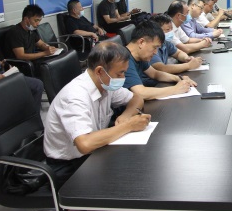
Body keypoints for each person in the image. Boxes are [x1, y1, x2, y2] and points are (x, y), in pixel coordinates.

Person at [43, 42, 151, 188]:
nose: (123, 77)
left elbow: (137, 99)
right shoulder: (75, 97)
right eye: (120, 73)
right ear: (100, 71)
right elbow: (85, 144)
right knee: (130, 182)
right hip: (69, 167)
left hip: (96, 152)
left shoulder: (105, 83)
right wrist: (128, 126)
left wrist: (126, 116)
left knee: (139, 167)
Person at [124, 21, 197, 100]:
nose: (155, 52)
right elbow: (141, 93)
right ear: (141, 42)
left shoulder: (139, 56)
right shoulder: (123, 59)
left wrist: (178, 78)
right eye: (154, 47)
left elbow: (155, 73)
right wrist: (175, 89)